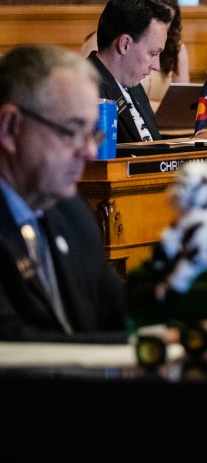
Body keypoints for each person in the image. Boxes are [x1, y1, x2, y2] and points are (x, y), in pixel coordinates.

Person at [0, 45, 126, 342]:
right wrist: (153, 346)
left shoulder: (71, 212)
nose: (90, 152)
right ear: (10, 128)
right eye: (72, 131)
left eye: (92, 133)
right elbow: (14, 345)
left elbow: (116, 306)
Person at [82, 0, 190, 113]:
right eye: (157, 17)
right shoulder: (103, 46)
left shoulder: (177, 47)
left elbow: (183, 103)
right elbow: (101, 99)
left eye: (169, 19)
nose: (164, 25)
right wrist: (158, 108)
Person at [88, 0, 171, 143]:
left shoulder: (134, 86)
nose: (156, 66)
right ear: (124, 44)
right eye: (153, 53)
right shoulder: (86, 89)